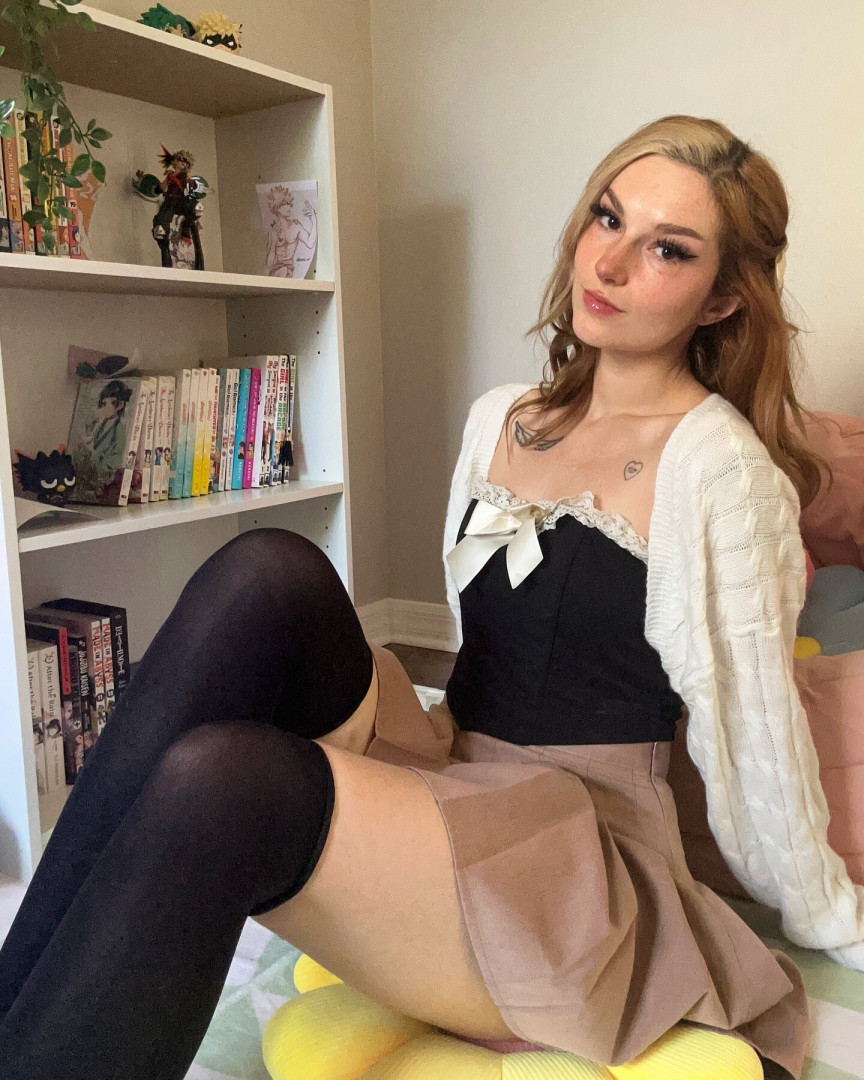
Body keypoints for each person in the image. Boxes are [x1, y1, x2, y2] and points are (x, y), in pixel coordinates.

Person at [1, 113, 862, 1080]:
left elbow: (757, 735)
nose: (612, 263)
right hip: (457, 765)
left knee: (222, 780)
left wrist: (825, 913)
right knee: (269, 569)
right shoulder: (502, 417)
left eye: (668, 249)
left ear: (722, 299)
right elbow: (478, 640)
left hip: (579, 853)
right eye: (607, 217)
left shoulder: (722, 471)